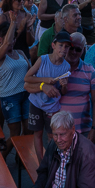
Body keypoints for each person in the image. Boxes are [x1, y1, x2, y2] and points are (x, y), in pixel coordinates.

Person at [27, 110, 95, 188]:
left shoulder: (87, 153)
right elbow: (44, 171)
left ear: (73, 130)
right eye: (55, 134)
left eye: (62, 134)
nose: (58, 140)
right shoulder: (54, 143)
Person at [25, 31, 73, 161]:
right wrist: (45, 80)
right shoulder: (43, 59)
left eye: (67, 46)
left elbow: (63, 91)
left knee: (52, 135)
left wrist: (64, 86)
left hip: (52, 106)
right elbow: (27, 78)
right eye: (61, 45)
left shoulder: (66, 67)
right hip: (36, 102)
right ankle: (41, 162)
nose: (64, 49)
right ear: (53, 45)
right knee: (38, 132)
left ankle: (51, 161)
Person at [0, 14, 31, 152]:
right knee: (15, 134)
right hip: (10, 98)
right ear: (0, 38)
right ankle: (2, 158)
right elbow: (7, 44)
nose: (12, 41)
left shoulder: (20, 52)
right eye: (8, 38)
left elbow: (30, 72)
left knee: (29, 130)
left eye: (14, 38)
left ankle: (21, 158)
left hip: (26, 95)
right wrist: (14, 21)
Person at [57, 32, 95, 140]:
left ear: (83, 50)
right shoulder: (55, 68)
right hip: (58, 131)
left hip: (83, 131)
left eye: (78, 49)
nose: (74, 52)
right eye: (71, 48)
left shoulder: (89, 70)